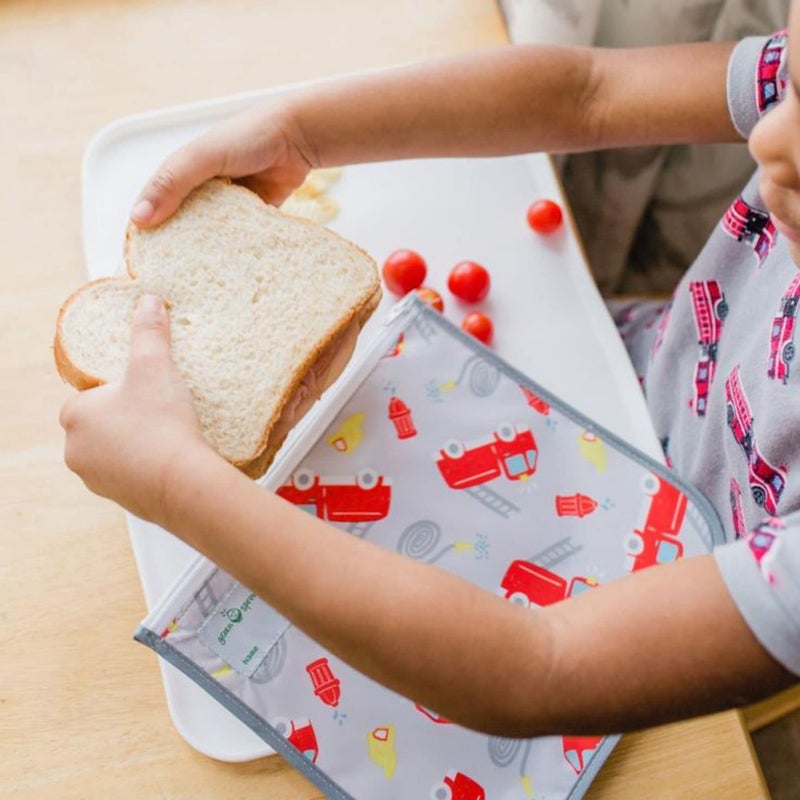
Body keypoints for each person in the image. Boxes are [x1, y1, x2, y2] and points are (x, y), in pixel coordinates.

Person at [59, 5, 800, 739]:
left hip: (661, 614)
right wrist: (301, 132)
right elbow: (589, 92)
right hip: (615, 380)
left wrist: (176, 483)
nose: (768, 135)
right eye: (794, 87)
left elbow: (540, 667)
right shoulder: (789, 119)